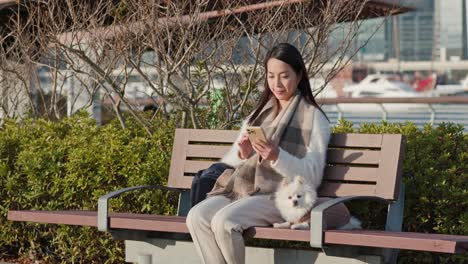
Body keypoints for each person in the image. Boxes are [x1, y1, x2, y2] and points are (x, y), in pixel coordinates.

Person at [186, 43, 352, 264]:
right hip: (244, 189)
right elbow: (237, 162)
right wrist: (243, 153)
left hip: (281, 196)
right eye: (271, 76)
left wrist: (277, 157)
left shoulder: (314, 118)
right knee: (196, 216)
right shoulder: (260, 113)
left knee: (224, 222)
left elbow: (312, 176)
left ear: (300, 75)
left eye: (284, 76)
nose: (277, 84)